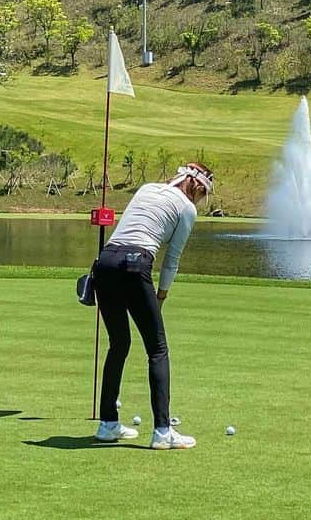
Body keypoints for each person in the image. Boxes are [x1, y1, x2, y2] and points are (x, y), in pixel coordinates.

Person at [92, 161, 213, 450]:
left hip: (105, 262)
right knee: (157, 349)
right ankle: (162, 432)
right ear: (197, 187)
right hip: (136, 264)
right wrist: (160, 297)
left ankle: (107, 424)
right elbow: (172, 259)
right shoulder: (187, 208)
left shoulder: (147, 188)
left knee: (118, 344)